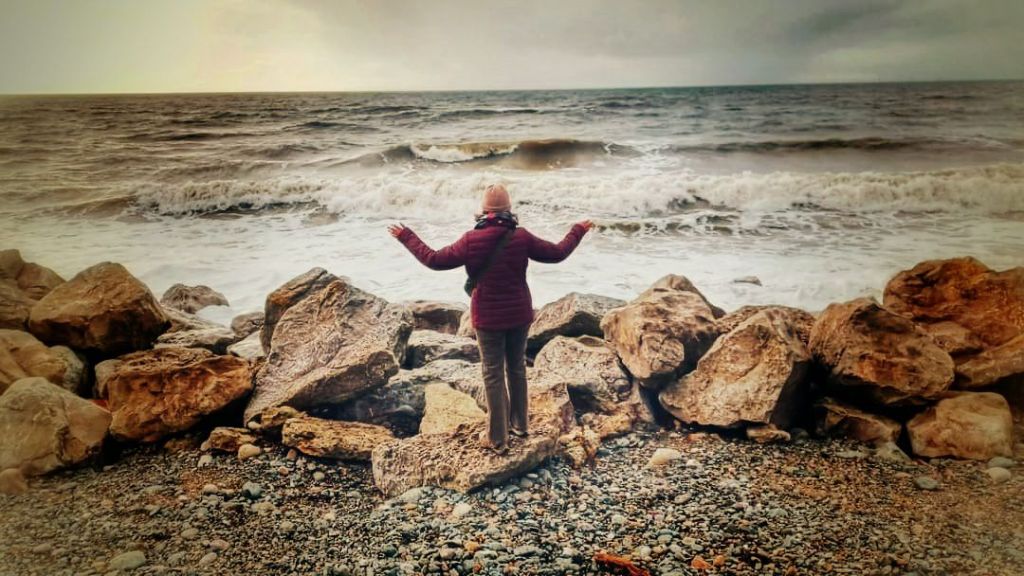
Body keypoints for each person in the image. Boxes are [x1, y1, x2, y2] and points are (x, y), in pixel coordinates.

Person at [389, 184, 593, 453]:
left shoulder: (470, 240)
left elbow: (434, 260)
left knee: (493, 374)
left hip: (487, 319)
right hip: (519, 314)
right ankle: (520, 425)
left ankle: (498, 438)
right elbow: (557, 253)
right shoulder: (521, 237)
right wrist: (578, 230)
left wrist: (406, 236)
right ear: (509, 209)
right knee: (517, 368)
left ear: (484, 210)